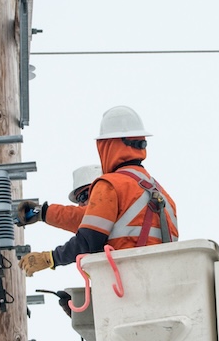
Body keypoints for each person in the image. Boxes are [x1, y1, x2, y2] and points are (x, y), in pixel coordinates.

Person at [18, 106, 178, 276]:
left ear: (106, 145)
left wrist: (51, 258)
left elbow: (89, 238)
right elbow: (85, 218)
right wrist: (43, 212)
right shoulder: (162, 195)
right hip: (162, 283)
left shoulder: (111, 185)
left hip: (129, 284)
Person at [38, 164, 103, 234]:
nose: (80, 204)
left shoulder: (107, 211)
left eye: (83, 196)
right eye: (78, 200)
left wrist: (43, 212)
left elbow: (81, 217)